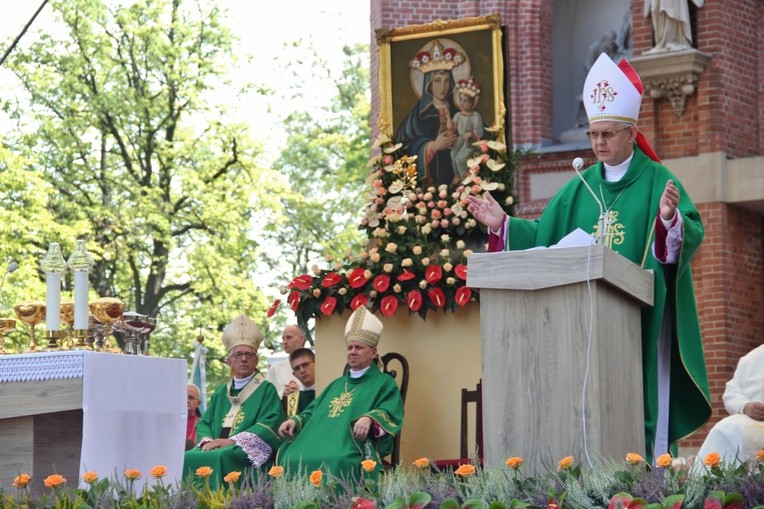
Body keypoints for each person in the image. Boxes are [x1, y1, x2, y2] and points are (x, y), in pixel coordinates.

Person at [467, 53, 711, 462]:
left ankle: (646, 480)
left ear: (632, 133)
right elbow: (545, 237)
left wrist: (668, 220)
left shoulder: (659, 181)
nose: (598, 144)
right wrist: (505, 225)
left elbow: (689, 231)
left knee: (639, 405)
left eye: (608, 135)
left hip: (640, 324)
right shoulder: (579, 184)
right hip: (580, 329)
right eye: (594, 134)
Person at [275, 307, 404, 481]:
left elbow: (391, 412)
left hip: (351, 445)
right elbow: (312, 411)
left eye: (358, 347)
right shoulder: (336, 384)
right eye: (349, 347)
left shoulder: (384, 382)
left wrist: (370, 418)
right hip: (319, 442)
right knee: (290, 458)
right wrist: (294, 420)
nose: (352, 351)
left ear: (373, 352)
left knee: (338, 459)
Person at [183, 314, 284, 488]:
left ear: (256, 359)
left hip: (242, 450)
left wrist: (232, 441)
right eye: (238, 355)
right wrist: (208, 441)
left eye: (249, 354)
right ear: (229, 361)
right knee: (188, 456)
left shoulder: (267, 389)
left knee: (221, 456)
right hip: (215, 445)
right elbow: (205, 422)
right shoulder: (222, 392)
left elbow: (271, 423)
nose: (243, 359)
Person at [395, 39, 465, 187]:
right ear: (429, 85)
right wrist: (432, 147)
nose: (443, 86)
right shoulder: (418, 117)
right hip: (430, 189)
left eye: (446, 81)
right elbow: (403, 149)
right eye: (438, 81)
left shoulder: (459, 112)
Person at [696, 344, 764, 464]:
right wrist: (746, 406)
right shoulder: (751, 358)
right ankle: (710, 481)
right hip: (752, 423)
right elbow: (731, 392)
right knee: (724, 429)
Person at [450, 78, 484, 179]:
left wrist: (471, 134)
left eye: (465, 101)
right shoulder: (457, 115)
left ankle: (465, 178)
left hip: (471, 142)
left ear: (472, 103)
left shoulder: (475, 116)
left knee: (460, 159)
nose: (461, 103)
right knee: (453, 154)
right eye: (461, 99)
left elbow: (479, 132)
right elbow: (453, 127)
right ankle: (457, 176)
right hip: (460, 140)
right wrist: (448, 120)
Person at [267, 324, 306, 398]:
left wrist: (300, 391)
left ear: (301, 339)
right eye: (283, 338)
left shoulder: (315, 365)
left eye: (289, 337)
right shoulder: (274, 369)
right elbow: (267, 395)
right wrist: (282, 394)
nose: (284, 342)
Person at [284, 347, 316, 417]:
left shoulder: (327, 390)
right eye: (297, 368)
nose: (302, 371)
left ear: (316, 364)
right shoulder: (293, 398)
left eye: (305, 365)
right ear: (294, 374)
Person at [185, 383, 202, 451]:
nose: (187, 401)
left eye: (191, 398)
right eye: (184, 397)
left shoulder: (202, 424)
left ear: (198, 403)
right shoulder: (172, 422)